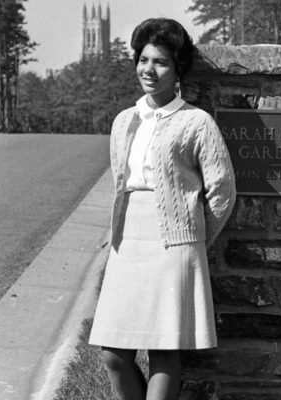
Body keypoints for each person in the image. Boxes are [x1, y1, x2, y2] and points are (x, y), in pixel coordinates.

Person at [89, 18, 236, 400]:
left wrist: (191, 240)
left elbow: (222, 192)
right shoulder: (124, 121)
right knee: (113, 353)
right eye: (143, 60)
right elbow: (121, 184)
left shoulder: (196, 122)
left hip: (173, 247)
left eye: (161, 63)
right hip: (128, 244)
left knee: (163, 349)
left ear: (178, 70)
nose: (149, 70)